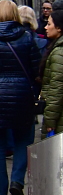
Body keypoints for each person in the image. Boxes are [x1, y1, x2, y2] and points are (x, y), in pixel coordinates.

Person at [0, 0, 41, 195]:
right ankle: (17, 181)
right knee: (24, 139)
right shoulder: (27, 37)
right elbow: (36, 70)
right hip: (22, 94)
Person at [40, 9, 63, 139]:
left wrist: (50, 119)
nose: (46, 27)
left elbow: (56, 88)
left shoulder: (59, 52)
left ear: (59, 28)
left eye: (49, 24)